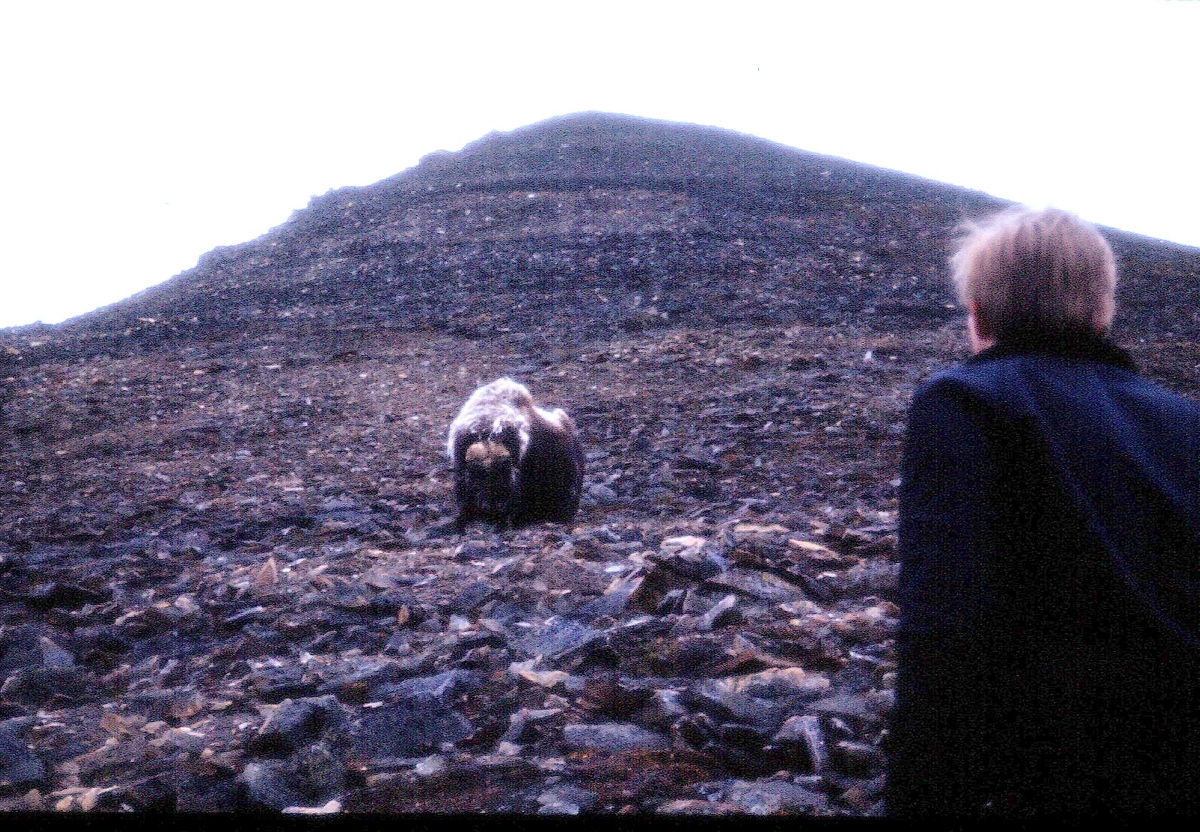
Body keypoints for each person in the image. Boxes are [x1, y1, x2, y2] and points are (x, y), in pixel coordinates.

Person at [887, 206, 1199, 816]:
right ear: (1102, 309)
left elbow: (944, 627)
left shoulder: (965, 401)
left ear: (976, 313)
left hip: (1045, 772)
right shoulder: (1185, 420)